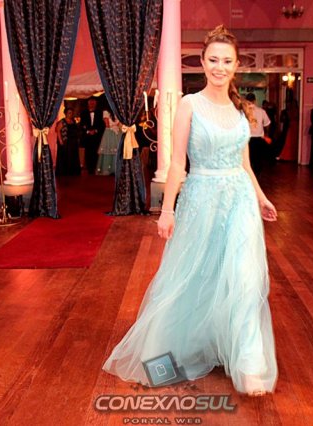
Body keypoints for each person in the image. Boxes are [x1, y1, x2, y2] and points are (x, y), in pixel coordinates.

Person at [103, 25, 278, 396]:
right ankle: (172, 352)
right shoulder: (189, 105)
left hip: (240, 202)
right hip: (202, 199)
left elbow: (245, 164)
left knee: (244, 279)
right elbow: (177, 164)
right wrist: (166, 210)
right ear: (202, 62)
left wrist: (261, 198)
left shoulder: (241, 109)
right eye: (213, 60)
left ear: (236, 65)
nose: (219, 67)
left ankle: (248, 363)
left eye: (227, 61)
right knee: (191, 276)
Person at [246, 93, 271, 177]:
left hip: (248, 138)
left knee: (249, 158)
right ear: (255, 101)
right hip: (259, 138)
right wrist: (266, 134)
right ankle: (257, 175)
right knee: (258, 158)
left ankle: (250, 175)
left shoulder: (244, 112)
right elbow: (267, 123)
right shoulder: (261, 111)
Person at [79, 96, 106, 175]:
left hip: (97, 136)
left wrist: (96, 131)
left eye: (93, 102)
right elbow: (81, 124)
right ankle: (90, 169)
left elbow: (102, 125)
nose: (92, 103)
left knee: (97, 151)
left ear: (96, 103)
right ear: (88, 103)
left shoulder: (100, 112)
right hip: (87, 136)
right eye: (90, 102)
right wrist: (88, 131)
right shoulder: (83, 113)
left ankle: (96, 167)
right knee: (88, 152)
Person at [55, 107, 81, 176]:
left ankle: (73, 172)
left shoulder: (73, 121)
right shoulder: (62, 121)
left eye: (71, 113)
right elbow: (58, 131)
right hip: (66, 141)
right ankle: (65, 172)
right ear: (65, 113)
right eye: (69, 113)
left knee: (73, 156)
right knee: (66, 156)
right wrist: (60, 141)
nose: (70, 114)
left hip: (73, 141)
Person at [95, 110, 121, 175]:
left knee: (117, 150)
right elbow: (107, 125)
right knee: (108, 150)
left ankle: (116, 169)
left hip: (118, 132)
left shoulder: (117, 111)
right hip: (109, 132)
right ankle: (107, 169)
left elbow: (120, 123)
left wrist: (117, 125)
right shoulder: (106, 112)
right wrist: (115, 125)